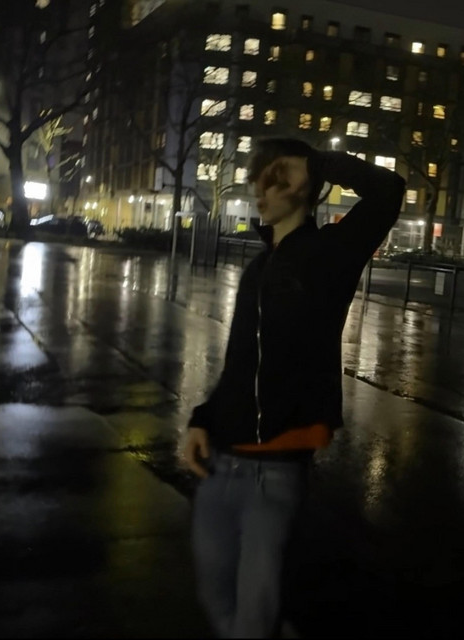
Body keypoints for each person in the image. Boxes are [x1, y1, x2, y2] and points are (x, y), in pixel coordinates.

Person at [183, 137, 405, 638]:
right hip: (220, 466)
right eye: (258, 179)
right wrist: (203, 418)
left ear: (305, 185)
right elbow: (240, 364)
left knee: (253, 619)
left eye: (276, 177)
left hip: (275, 475)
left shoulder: (330, 256)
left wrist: (318, 162)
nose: (262, 190)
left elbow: (389, 190)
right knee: (216, 598)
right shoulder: (257, 270)